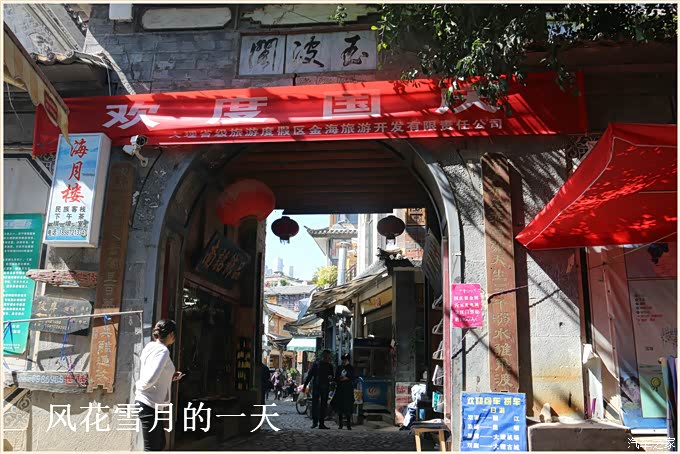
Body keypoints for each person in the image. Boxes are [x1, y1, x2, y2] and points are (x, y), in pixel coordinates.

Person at [135, 319, 183, 451]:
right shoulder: (163, 351)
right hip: (149, 404)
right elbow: (150, 378)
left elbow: (153, 372)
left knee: (160, 443)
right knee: (152, 448)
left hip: (150, 403)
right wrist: (140, 387)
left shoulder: (150, 346)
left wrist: (170, 376)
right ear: (171, 334)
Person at [304, 350, 334, 429]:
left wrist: (331, 378)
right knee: (315, 404)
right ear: (324, 356)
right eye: (328, 356)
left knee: (323, 405)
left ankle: (321, 423)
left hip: (325, 387)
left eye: (329, 357)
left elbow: (332, 376)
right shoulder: (317, 364)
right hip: (317, 386)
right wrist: (305, 385)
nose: (329, 358)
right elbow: (310, 375)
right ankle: (315, 422)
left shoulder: (329, 365)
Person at [335, 353, 355, 430]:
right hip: (340, 390)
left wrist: (347, 378)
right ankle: (340, 424)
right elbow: (336, 377)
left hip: (348, 390)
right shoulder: (339, 368)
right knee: (340, 407)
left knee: (348, 407)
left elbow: (353, 377)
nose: (343, 361)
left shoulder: (351, 368)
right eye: (343, 360)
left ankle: (348, 424)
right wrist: (339, 379)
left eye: (345, 360)